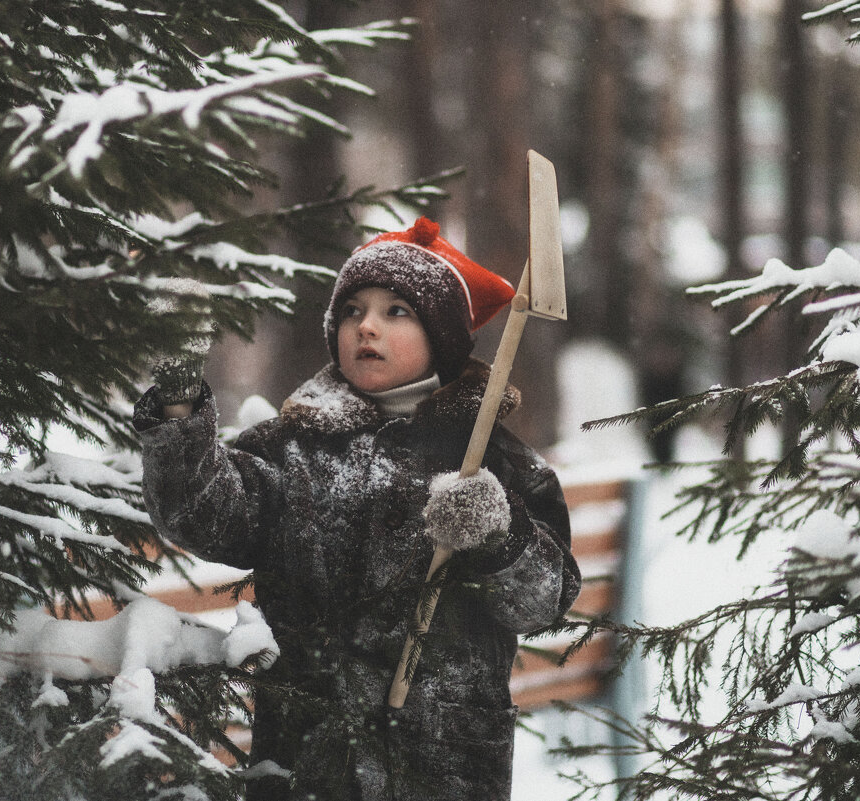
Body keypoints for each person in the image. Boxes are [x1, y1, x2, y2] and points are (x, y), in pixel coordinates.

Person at [133, 216, 581, 801]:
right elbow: (200, 512)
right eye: (352, 311)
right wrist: (177, 402)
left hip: (442, 765)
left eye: (397, 311)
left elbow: (545, 601)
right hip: (310, 762)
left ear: (442, 338)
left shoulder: (491, 458)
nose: (367, 326)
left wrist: (499, 532)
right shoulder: (290, 449)